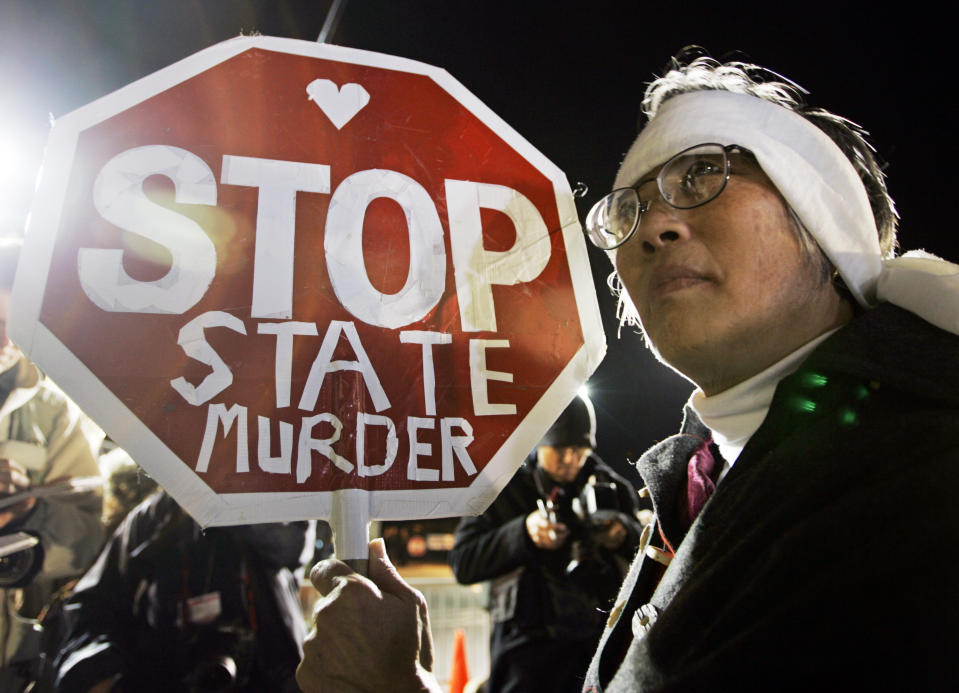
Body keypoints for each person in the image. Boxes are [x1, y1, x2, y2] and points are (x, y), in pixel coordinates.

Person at [294, 52, 959, 692]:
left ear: (820, 215)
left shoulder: (919, 471)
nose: (653, 227)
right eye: (627, 208)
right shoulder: (702, 473)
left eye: (701, 174)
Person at [449, 394, 644, 693]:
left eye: (579, 450)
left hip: (597, 648)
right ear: (539, 443)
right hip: (525, 657)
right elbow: (463, 563)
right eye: (560, 448)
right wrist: (523, 533)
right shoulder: (504, 487)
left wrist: (623, 534)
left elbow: (648, 566)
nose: (570, 459)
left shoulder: (613, 488)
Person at [42, 488, 311, 692]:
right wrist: (100, 674)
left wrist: (225, 498)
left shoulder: (277, 508)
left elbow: (289, 541)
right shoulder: (152, 520)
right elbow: (91, 609)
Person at [0, 237, 105, 691]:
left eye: (14, 323)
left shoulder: (56, 410)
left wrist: (28, 513)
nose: (4, 340)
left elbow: (85, 534)